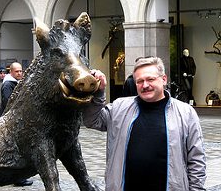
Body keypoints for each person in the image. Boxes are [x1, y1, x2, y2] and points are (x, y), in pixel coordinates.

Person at [83, 57, 206, 191]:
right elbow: (92, 120)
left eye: (150, 79)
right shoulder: (119, 107)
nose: (145, 85)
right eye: (140, 81)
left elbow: (196, 159)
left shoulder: (186, 113)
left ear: (163, 79)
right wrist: (98, 91)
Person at [1, 62, 33, 187]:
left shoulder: (15, 83)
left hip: (17, 121)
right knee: (17, 151)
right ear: (11, 72)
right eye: (17, 71)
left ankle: (17, 177)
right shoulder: (8, 85)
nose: (20, 73)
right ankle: (18, 178)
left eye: (21, 71)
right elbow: (10, 102)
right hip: (13, 122)